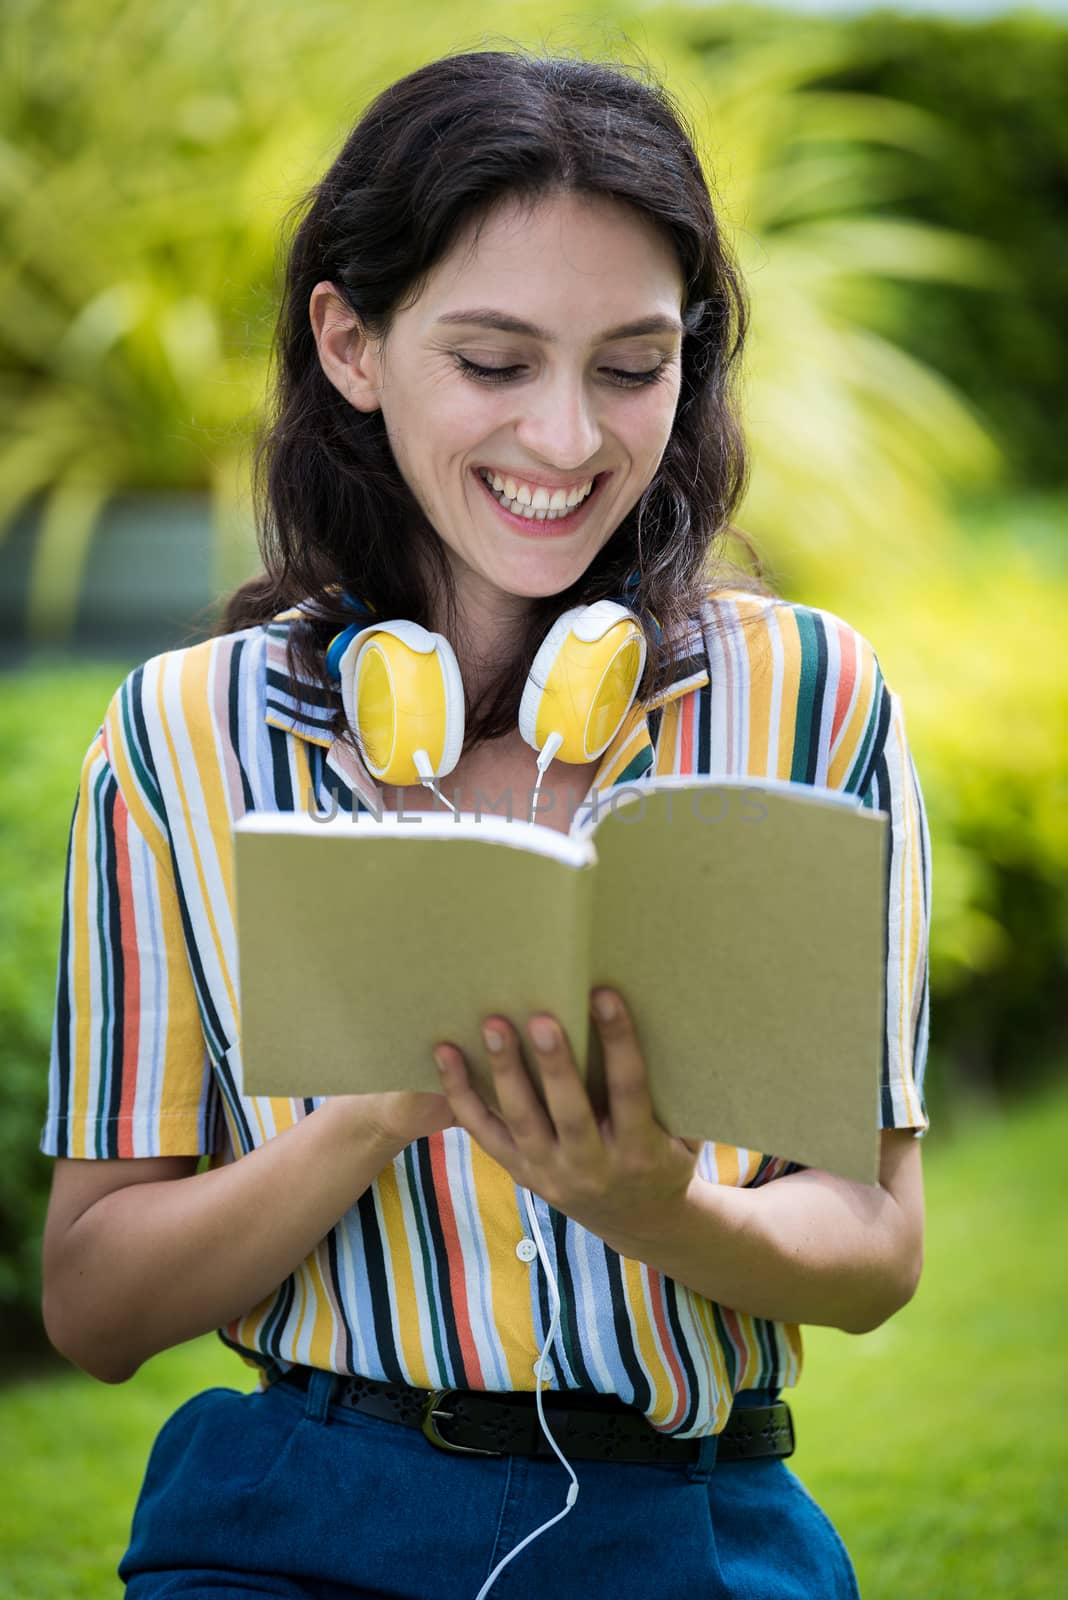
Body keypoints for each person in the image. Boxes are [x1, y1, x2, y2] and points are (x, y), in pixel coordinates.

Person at [39, 47, 930, 1600]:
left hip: (692, 1526)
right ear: (352, 341)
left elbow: (873, 1246)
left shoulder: (810, 704)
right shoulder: (184, 738)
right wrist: (373, 1113)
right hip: (295, 1520)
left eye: (633, 365)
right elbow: (94, 1306)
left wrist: (665, 1210)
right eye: (496, 360)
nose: (570, 441)